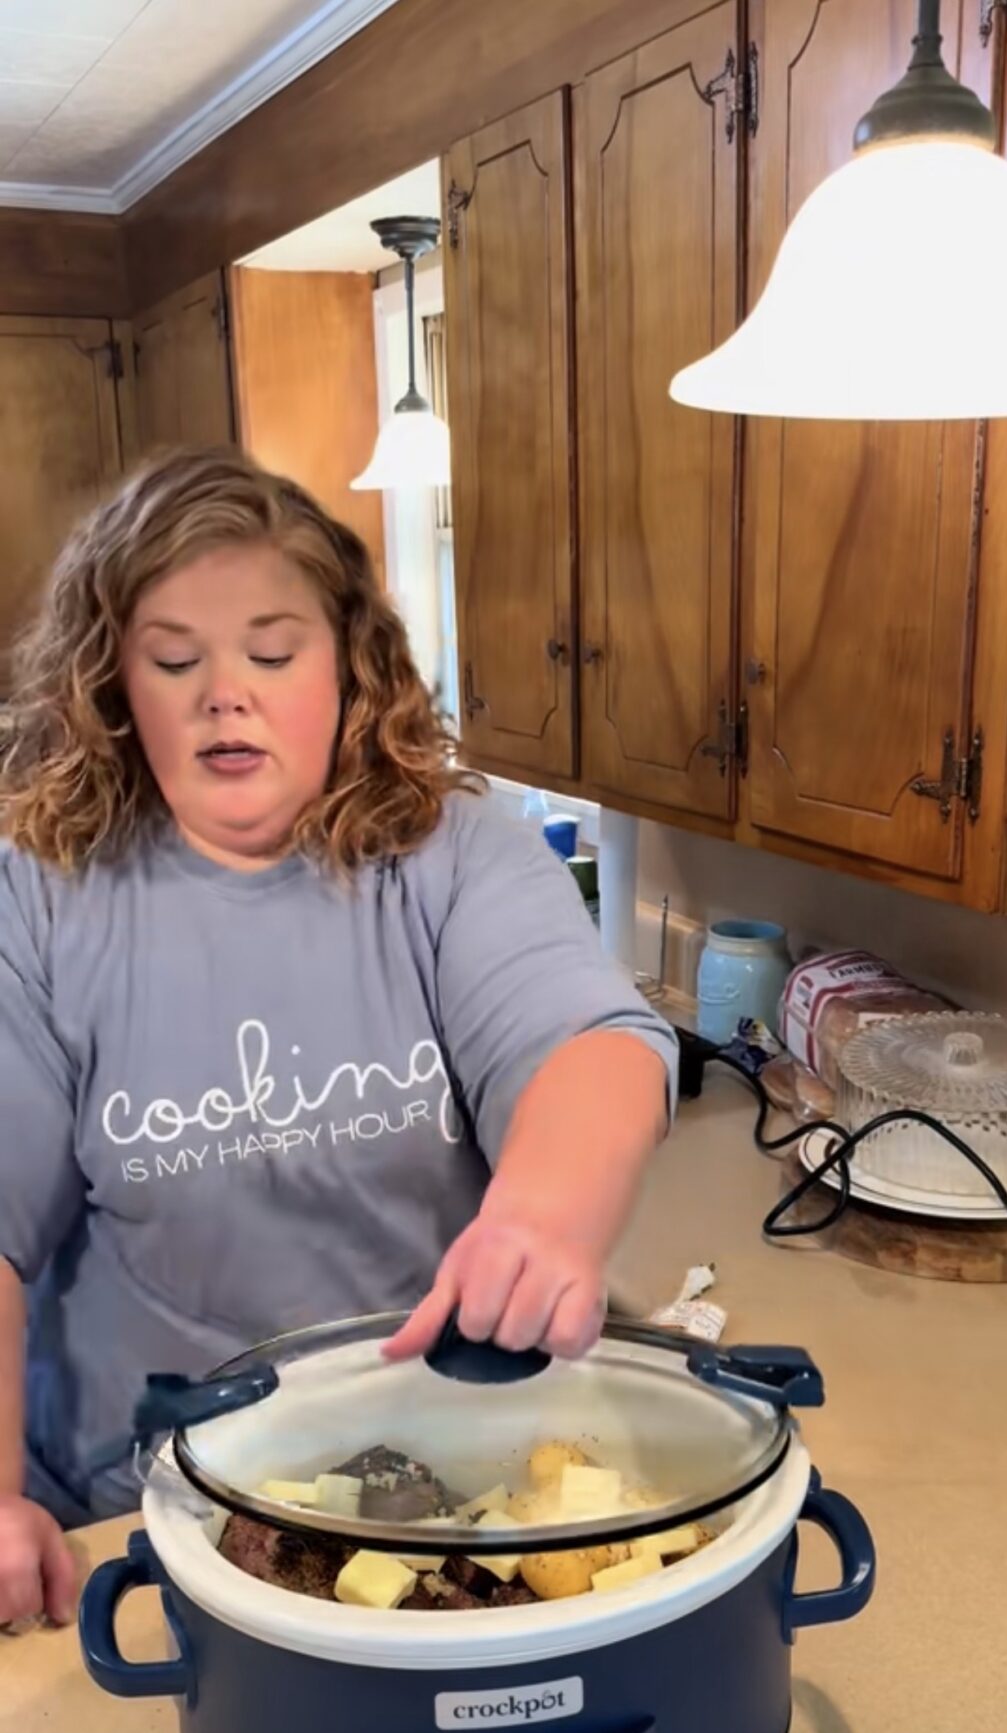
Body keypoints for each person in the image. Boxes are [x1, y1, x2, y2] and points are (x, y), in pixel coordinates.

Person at [0, 448, 675, 1628]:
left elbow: (591, 1043)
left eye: (271, 652)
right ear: (113, 682)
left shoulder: (454, 855)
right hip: (144, 1512)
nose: (226, 694)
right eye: (175, 658)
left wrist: (543, 1214)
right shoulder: (42, 893)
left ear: (351, 668)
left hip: (438, 1502)